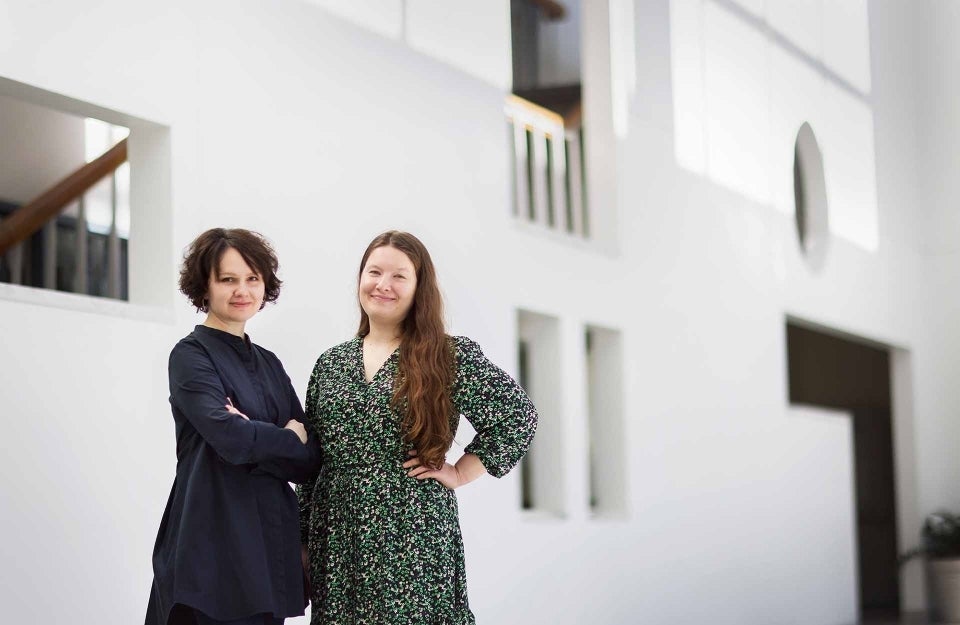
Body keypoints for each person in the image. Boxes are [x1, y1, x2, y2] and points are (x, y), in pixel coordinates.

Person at [297, 230, 538, 624]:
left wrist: (460, 471)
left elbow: (517, 415)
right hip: (337, 537)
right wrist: (303, 541)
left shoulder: (446, 354)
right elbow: (312, 461)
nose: (383, 285)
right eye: (374, 272)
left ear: (419, 287)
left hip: (411, 533)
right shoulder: (330, 364)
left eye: (399, 276)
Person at [146, 228, 320, 625]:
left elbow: (309, 461)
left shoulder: (270, 363)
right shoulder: (190, 356)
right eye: (228, 279)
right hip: (209, 543)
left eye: (252, 279)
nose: (242, 290)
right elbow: (231, 439)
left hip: (267, 545)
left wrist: (256, 438)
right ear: (204, 286)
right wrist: (285, 436)